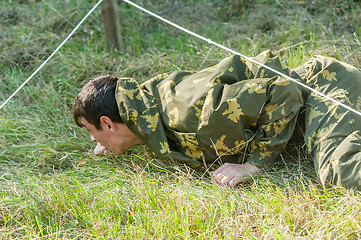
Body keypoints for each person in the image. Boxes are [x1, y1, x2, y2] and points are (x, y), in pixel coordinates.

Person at [73, 50, 361, 190]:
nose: (92, 139)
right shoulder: (140, 108)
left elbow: (283, 92)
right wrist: (114, 141)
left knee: (341, 171)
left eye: (91, 131)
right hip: (310, 94)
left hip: (323, 90)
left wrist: (254, 164)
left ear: (109, 123)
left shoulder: (193, 113)